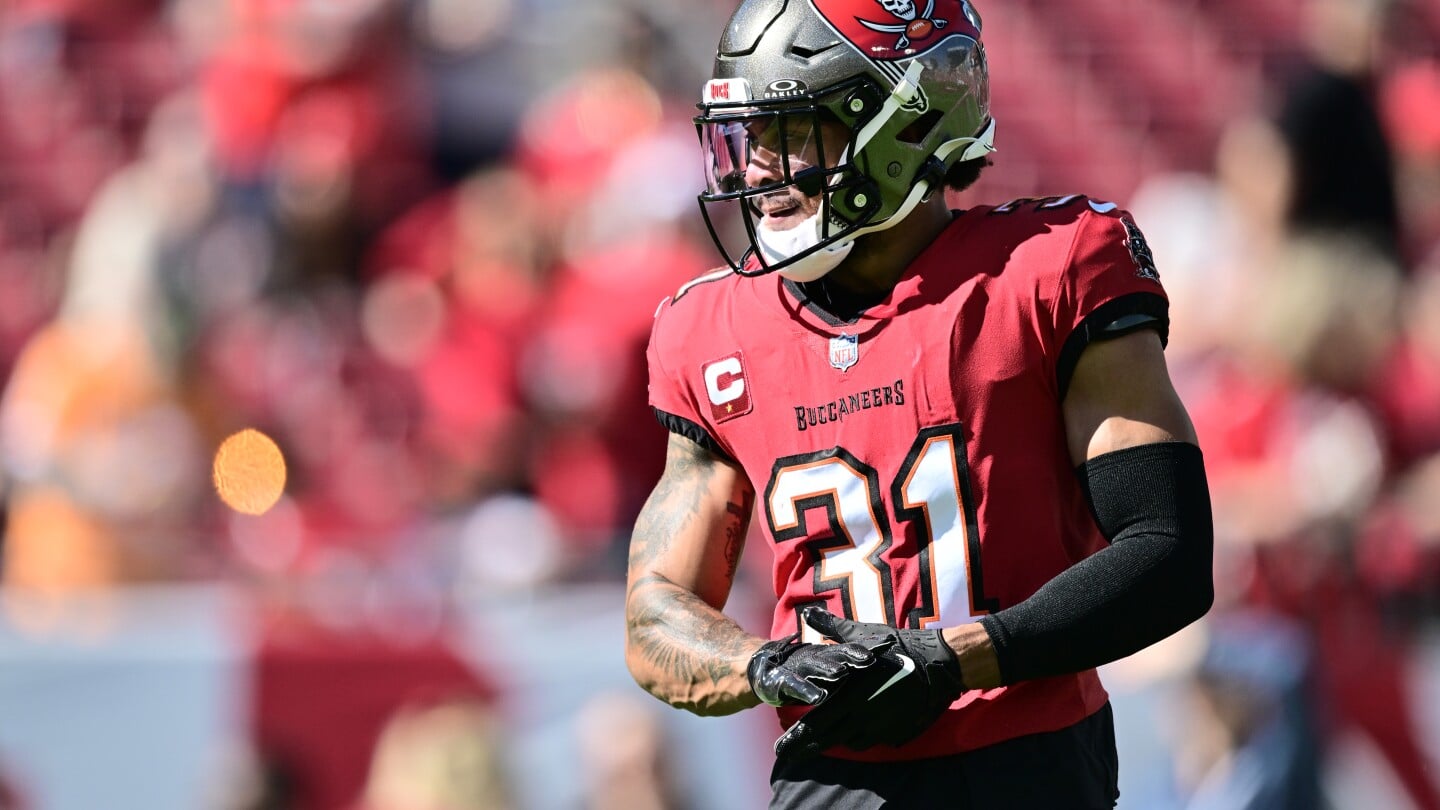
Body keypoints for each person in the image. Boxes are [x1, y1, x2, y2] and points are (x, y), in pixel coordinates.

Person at [623, 0, 1215, 807]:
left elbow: (1167, 553)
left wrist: (951, 660)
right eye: (746, 135)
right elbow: (656, 613)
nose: (755, 169)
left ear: (905, 125)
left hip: (1025, 767)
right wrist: (770, 665)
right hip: (832, 778)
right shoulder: (707, 331)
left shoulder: (1048, 269)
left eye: (789, 130)